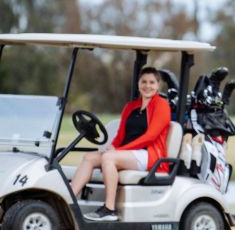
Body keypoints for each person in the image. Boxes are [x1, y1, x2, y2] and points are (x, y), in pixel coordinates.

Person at [71, 66, 171, 221]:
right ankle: (68, 200)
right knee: (89, 157)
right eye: (144, 82)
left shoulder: (162, 105)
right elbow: (121, 135)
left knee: (108, 158)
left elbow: (150, 137)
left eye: (152, 82)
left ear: (158, 85)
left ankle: (109, 209)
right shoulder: (130, 107)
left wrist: (117, 151)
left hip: (149, 155)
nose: (147, 86)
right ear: (138, 84)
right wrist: (114, 147)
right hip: (128, 153)